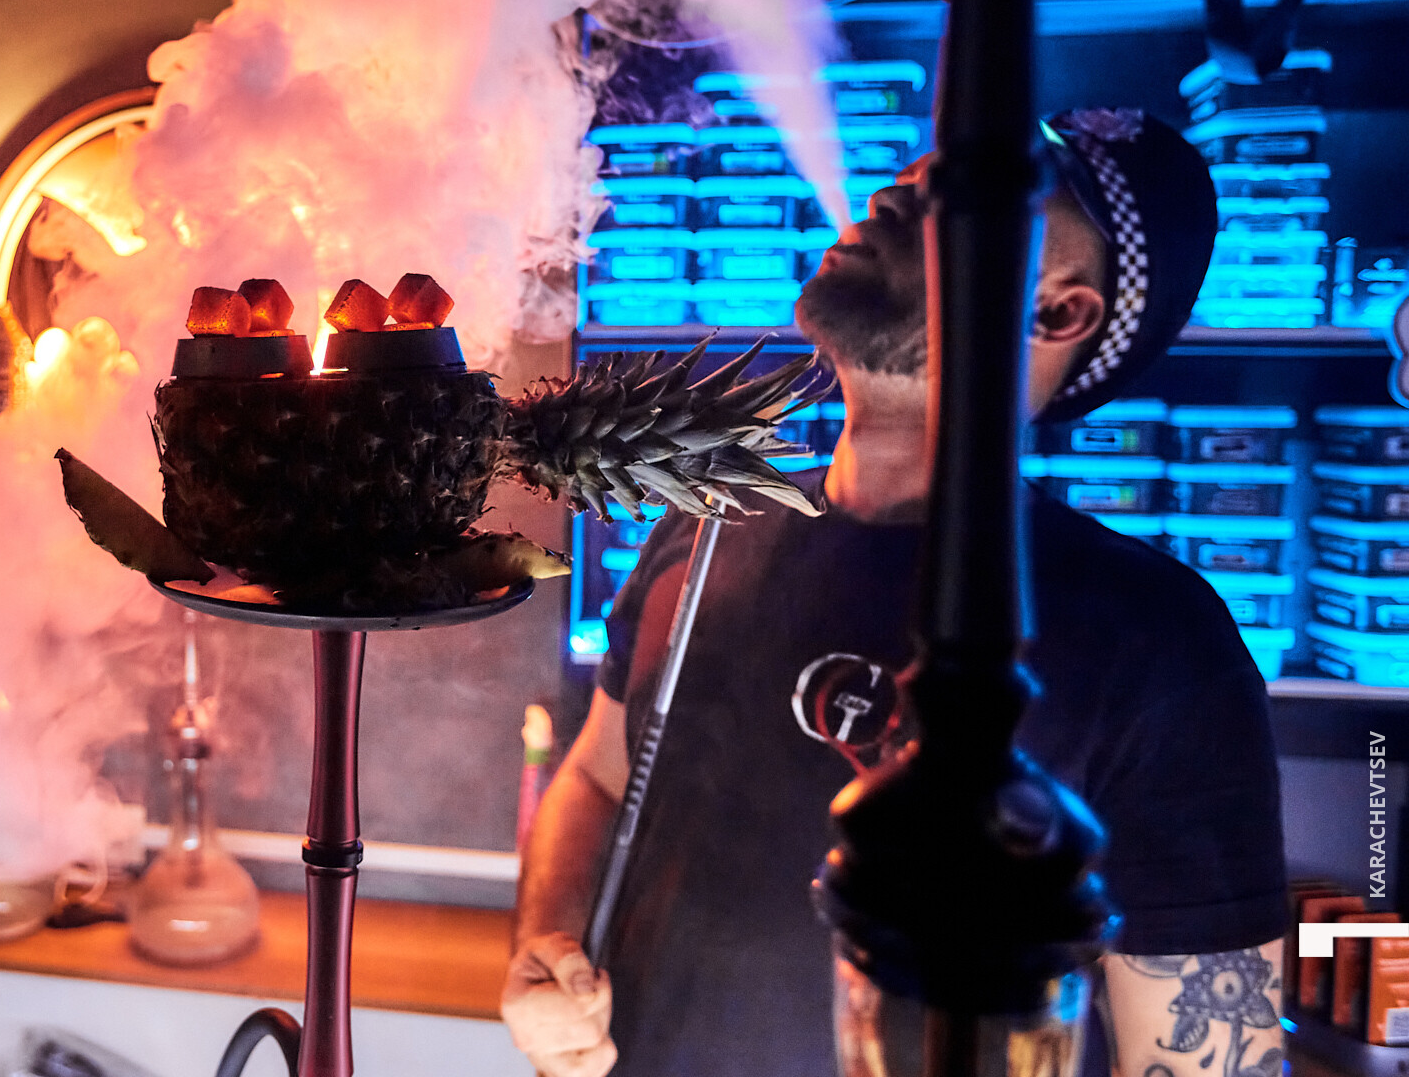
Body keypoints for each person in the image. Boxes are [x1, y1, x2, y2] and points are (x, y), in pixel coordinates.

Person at [502, 109, 1289, 1077]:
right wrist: (544, 948)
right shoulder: (705, 523)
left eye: (963, 191)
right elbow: (596, 775)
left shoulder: (1160, 644)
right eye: (919, 168)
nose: (894, 188)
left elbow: (1208, 1059)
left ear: (1056, 312)